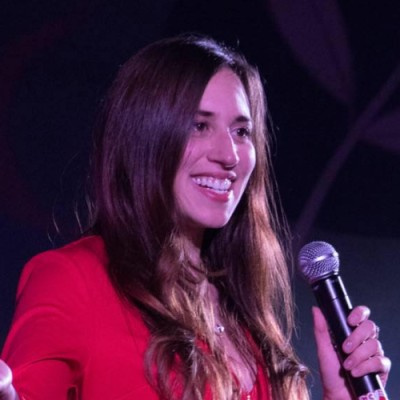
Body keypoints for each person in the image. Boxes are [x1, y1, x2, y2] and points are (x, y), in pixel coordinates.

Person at [0, 35, 390, 400]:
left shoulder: (246, 313)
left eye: (241, 131)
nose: (229, 155)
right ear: (144, 138)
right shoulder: (73, 280)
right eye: (199, 126)